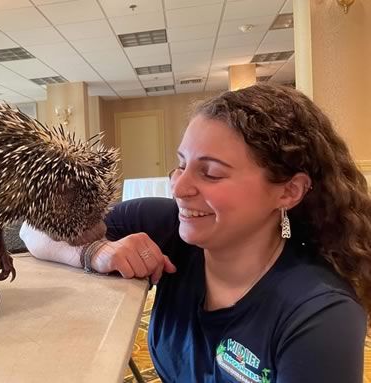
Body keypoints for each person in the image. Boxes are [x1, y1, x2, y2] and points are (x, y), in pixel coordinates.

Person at [19, 83, 371, 383]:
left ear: (289, 192)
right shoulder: (168, 225)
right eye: (182, 164)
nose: (179, 187)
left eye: (212, 173)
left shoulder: (320, 318)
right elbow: (33, 228)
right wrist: (91, 252)